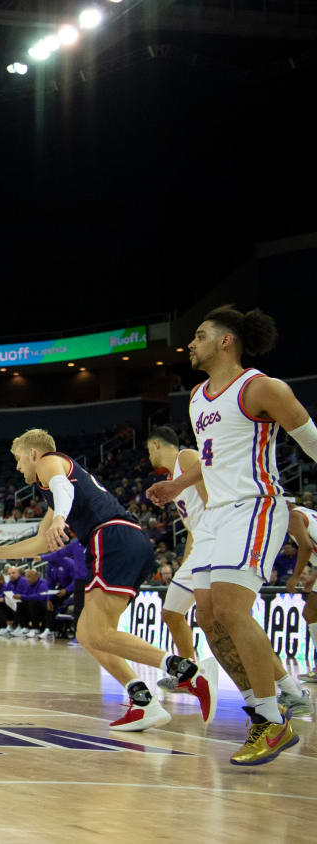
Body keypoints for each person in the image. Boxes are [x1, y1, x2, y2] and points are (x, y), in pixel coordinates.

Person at [0, 428, 212, 733]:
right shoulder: (54, 487)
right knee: (91, 634)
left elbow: (63, 488)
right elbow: (41, 543)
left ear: (33, 453)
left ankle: (187, 671)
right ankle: (143, 700)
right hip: (125, 542)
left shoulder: (50, 462)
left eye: (18, 458)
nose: (17, 466)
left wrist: (62, 519)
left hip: (113, 537)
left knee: (97, 633)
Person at [148, 307, 317, 763]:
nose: (190, 343)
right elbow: (211, 456)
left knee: (228, 605)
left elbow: (312, 440)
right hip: (217, 516)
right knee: (206, 616)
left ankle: (270, 719)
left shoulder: (261, 387)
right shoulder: (199, 398)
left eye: (199, 335)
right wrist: (178, 484)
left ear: (226, 342)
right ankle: (272, 699)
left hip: (255, 505)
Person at [145, 426, 209, 684]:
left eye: (149, 450)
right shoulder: (174, 477)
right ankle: (189, 673)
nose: (149, 456)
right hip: (200, 545)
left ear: (157, 445)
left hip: (214, 541)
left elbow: (211, 500)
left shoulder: (187, 457)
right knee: (171, 612)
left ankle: (277, 685)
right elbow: (192, 526)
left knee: (222, 618)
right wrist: (185, 564)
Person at [287, 504, 317, 683]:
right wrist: (313, 577)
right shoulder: (309, 513)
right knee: (311, 612)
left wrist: (295, 577)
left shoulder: (294, 516)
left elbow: (305, 548)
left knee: (311, 612)